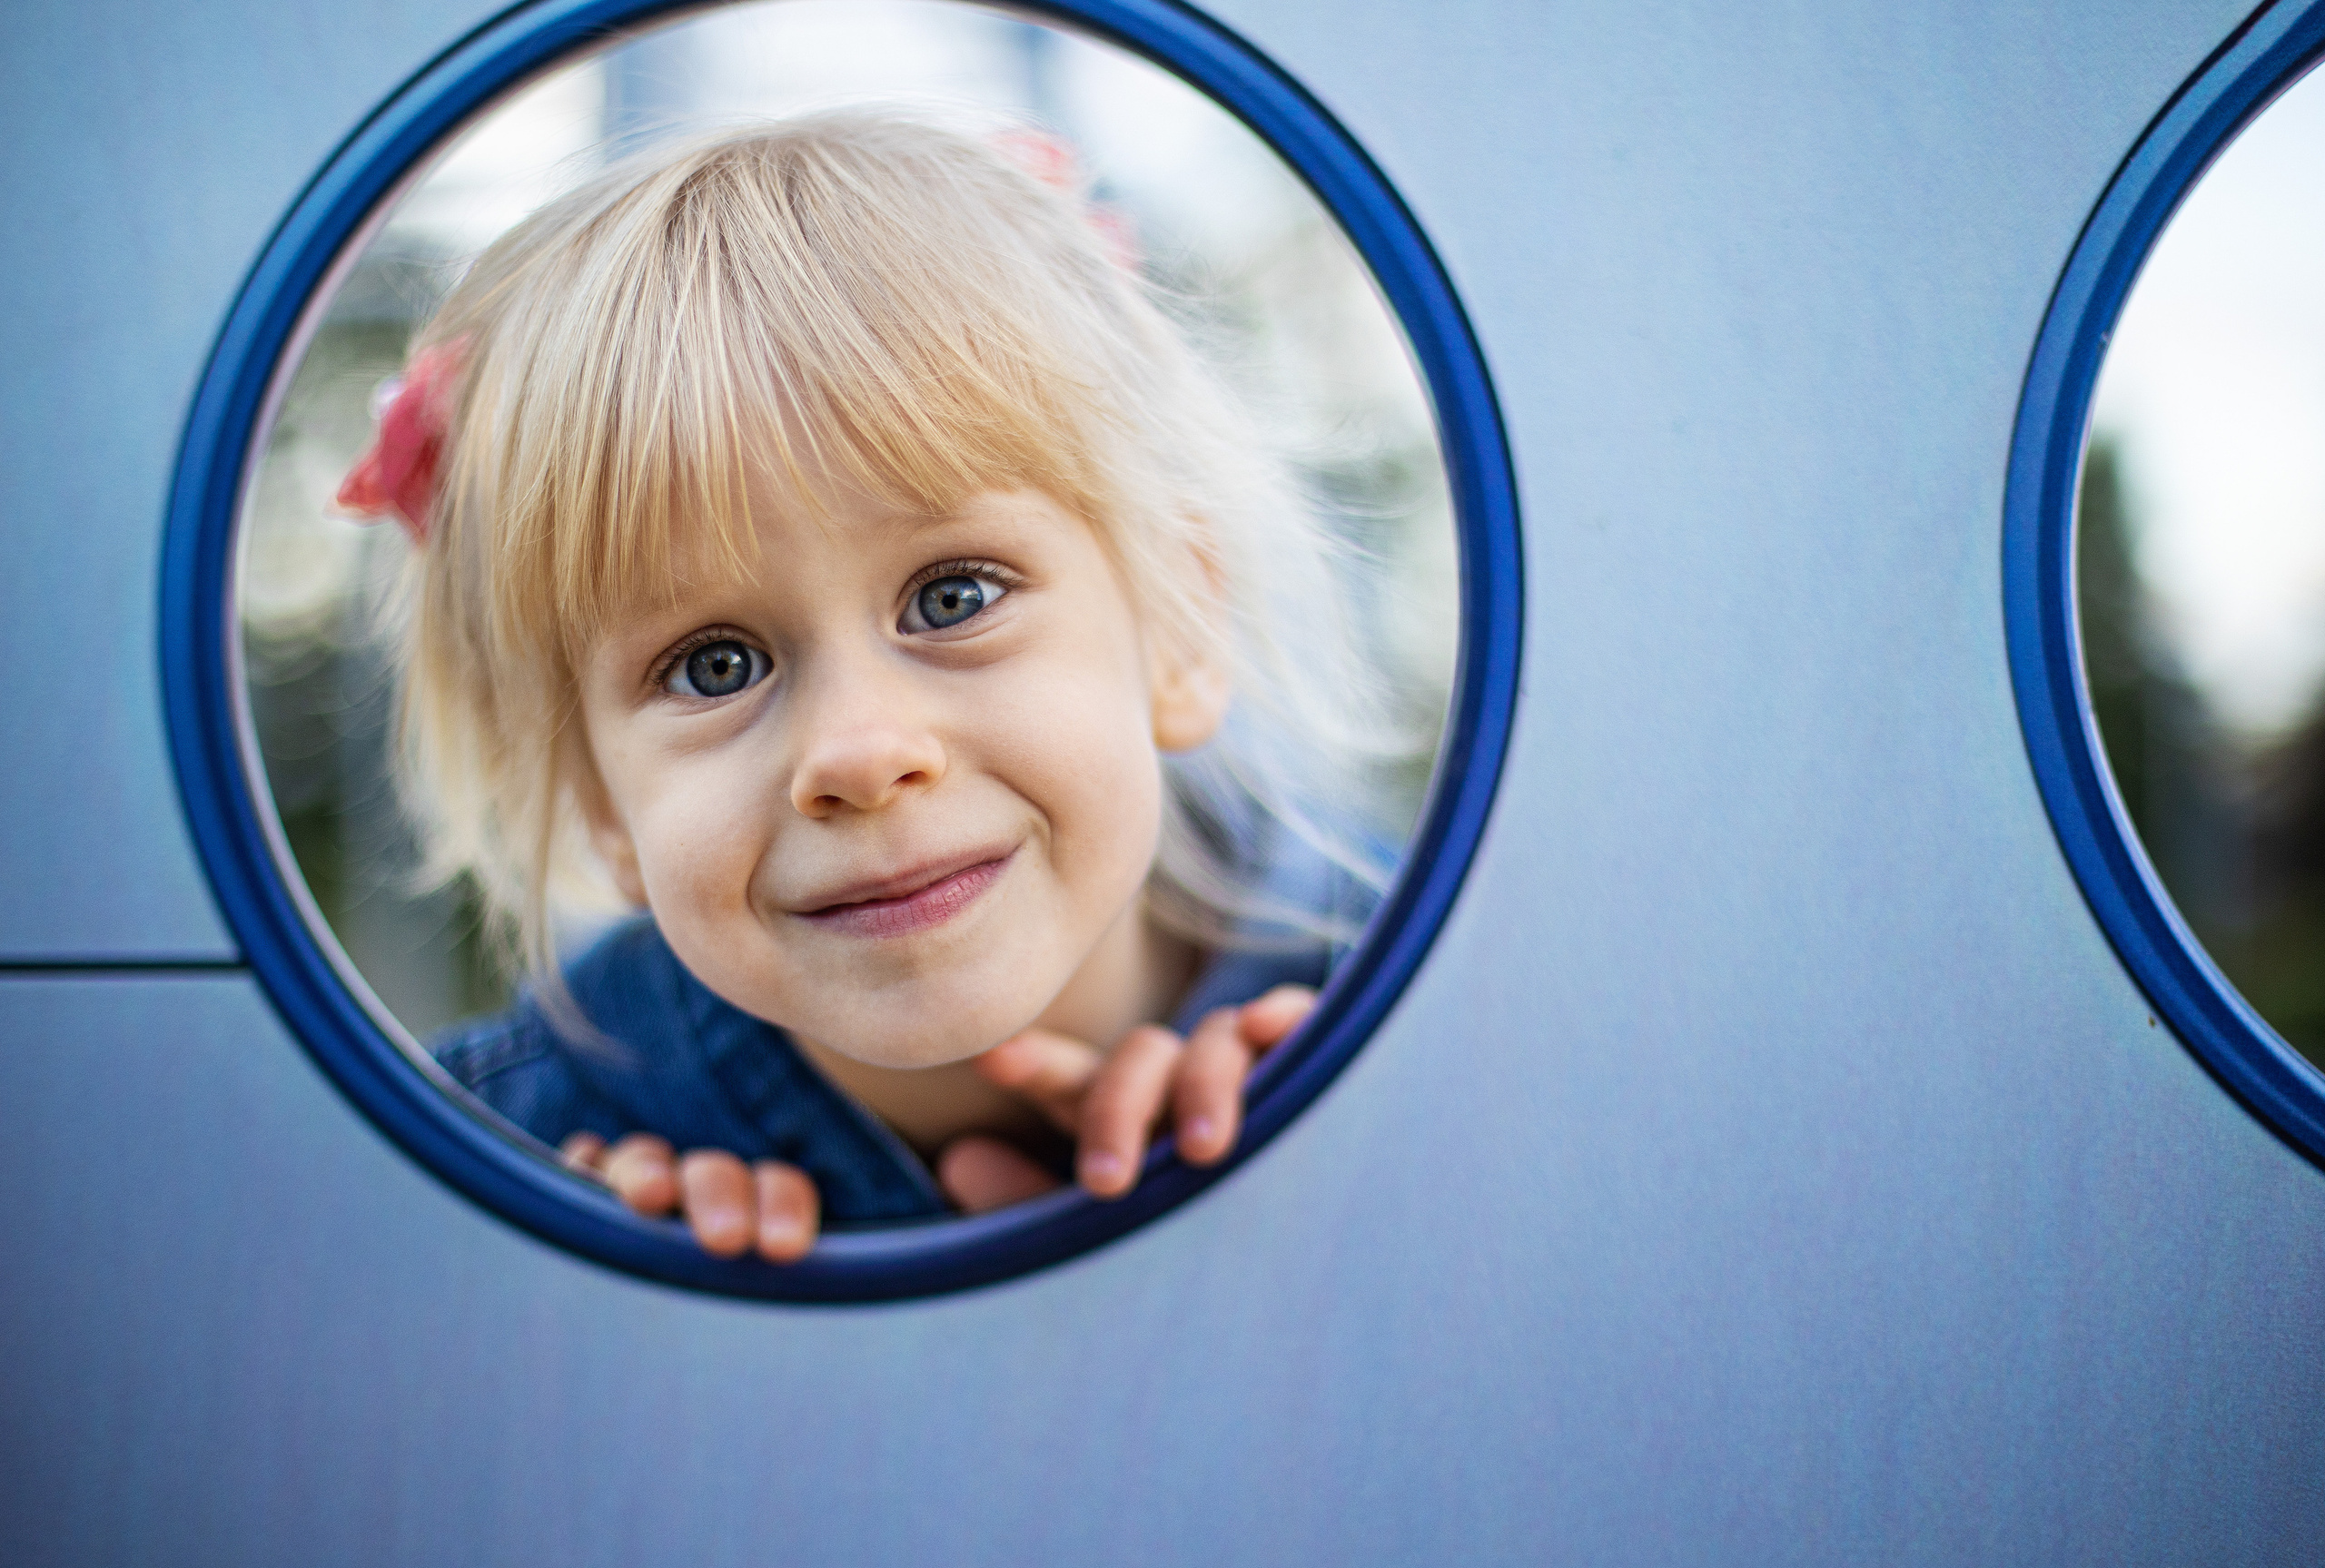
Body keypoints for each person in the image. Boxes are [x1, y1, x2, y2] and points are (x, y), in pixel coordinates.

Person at [337, 112, 1412, 1261]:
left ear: (1183, 622)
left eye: (953, 595)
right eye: (714, 665)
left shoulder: (1442, 990)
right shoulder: (526, 1155)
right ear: (596, 795)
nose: (856, 750)